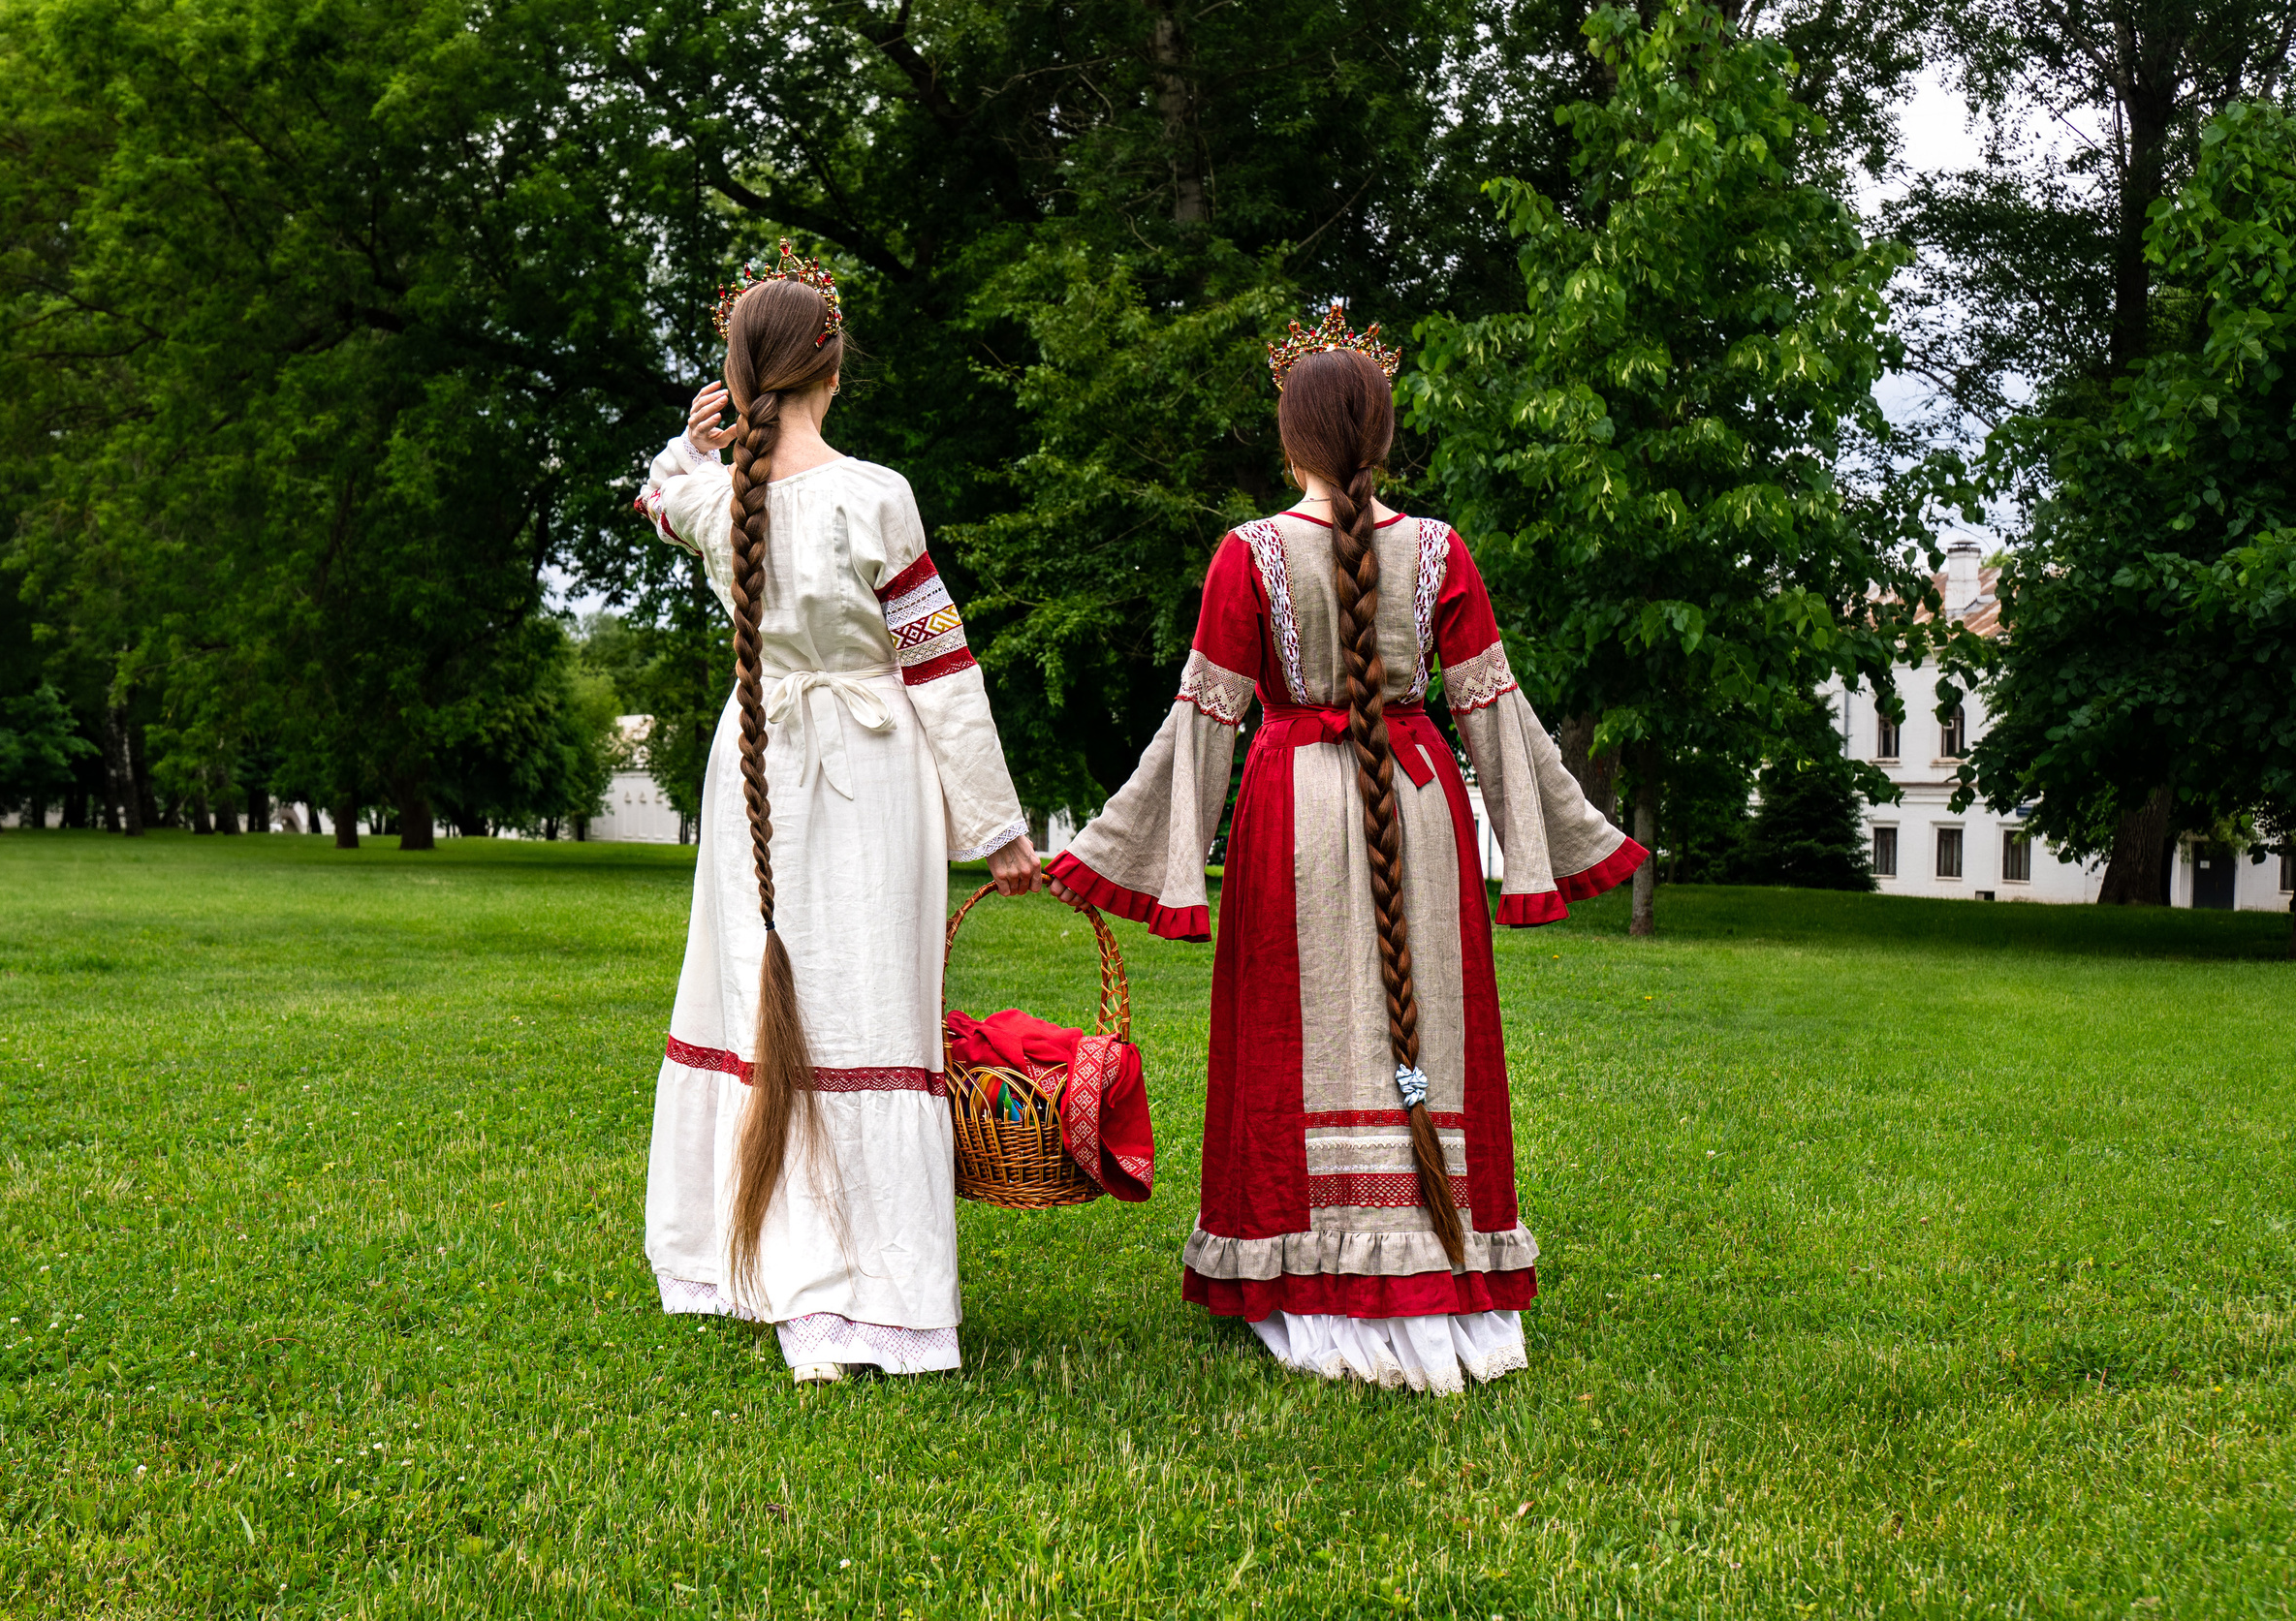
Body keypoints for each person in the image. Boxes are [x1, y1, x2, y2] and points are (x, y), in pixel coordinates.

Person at [1046, 307, 1645, 1394]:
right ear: (1382, 436)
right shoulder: (1443, 550)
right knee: (1433, 1029)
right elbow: (1495, 713)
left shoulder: (1250, 554)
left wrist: (1128, 851)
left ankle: (1304, 1261)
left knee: (1291, 1030)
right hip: (1419, 811)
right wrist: (1550, 843)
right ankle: (1435, 1253)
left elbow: (1203, 720)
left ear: (1290, 441)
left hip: (1293, 818)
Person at [638, 243, 1040, 1385]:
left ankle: (759, 1256)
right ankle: (873, 1293)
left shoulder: (721, 500)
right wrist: (1000, 830)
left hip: (756, 756)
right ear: (834, 367)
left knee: (760, 993)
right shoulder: (877, 497)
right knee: (866, 1007)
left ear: (740, 373)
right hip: (869, 771)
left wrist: (691, 439)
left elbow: (662, 496)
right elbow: (943, 671)